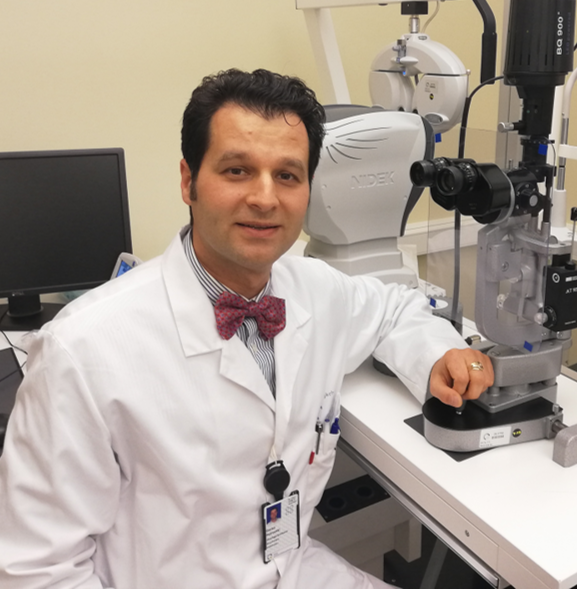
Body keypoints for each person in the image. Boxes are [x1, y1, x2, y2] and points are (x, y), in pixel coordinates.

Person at [0, 68, 493, 589]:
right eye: (237, 170)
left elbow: (396, 308)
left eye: (288, 176)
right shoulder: (82, 351)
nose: (265, 198)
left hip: (296, 571)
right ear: (189, 181)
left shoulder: (315, 289)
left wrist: (439, 354)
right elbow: (37, 572)